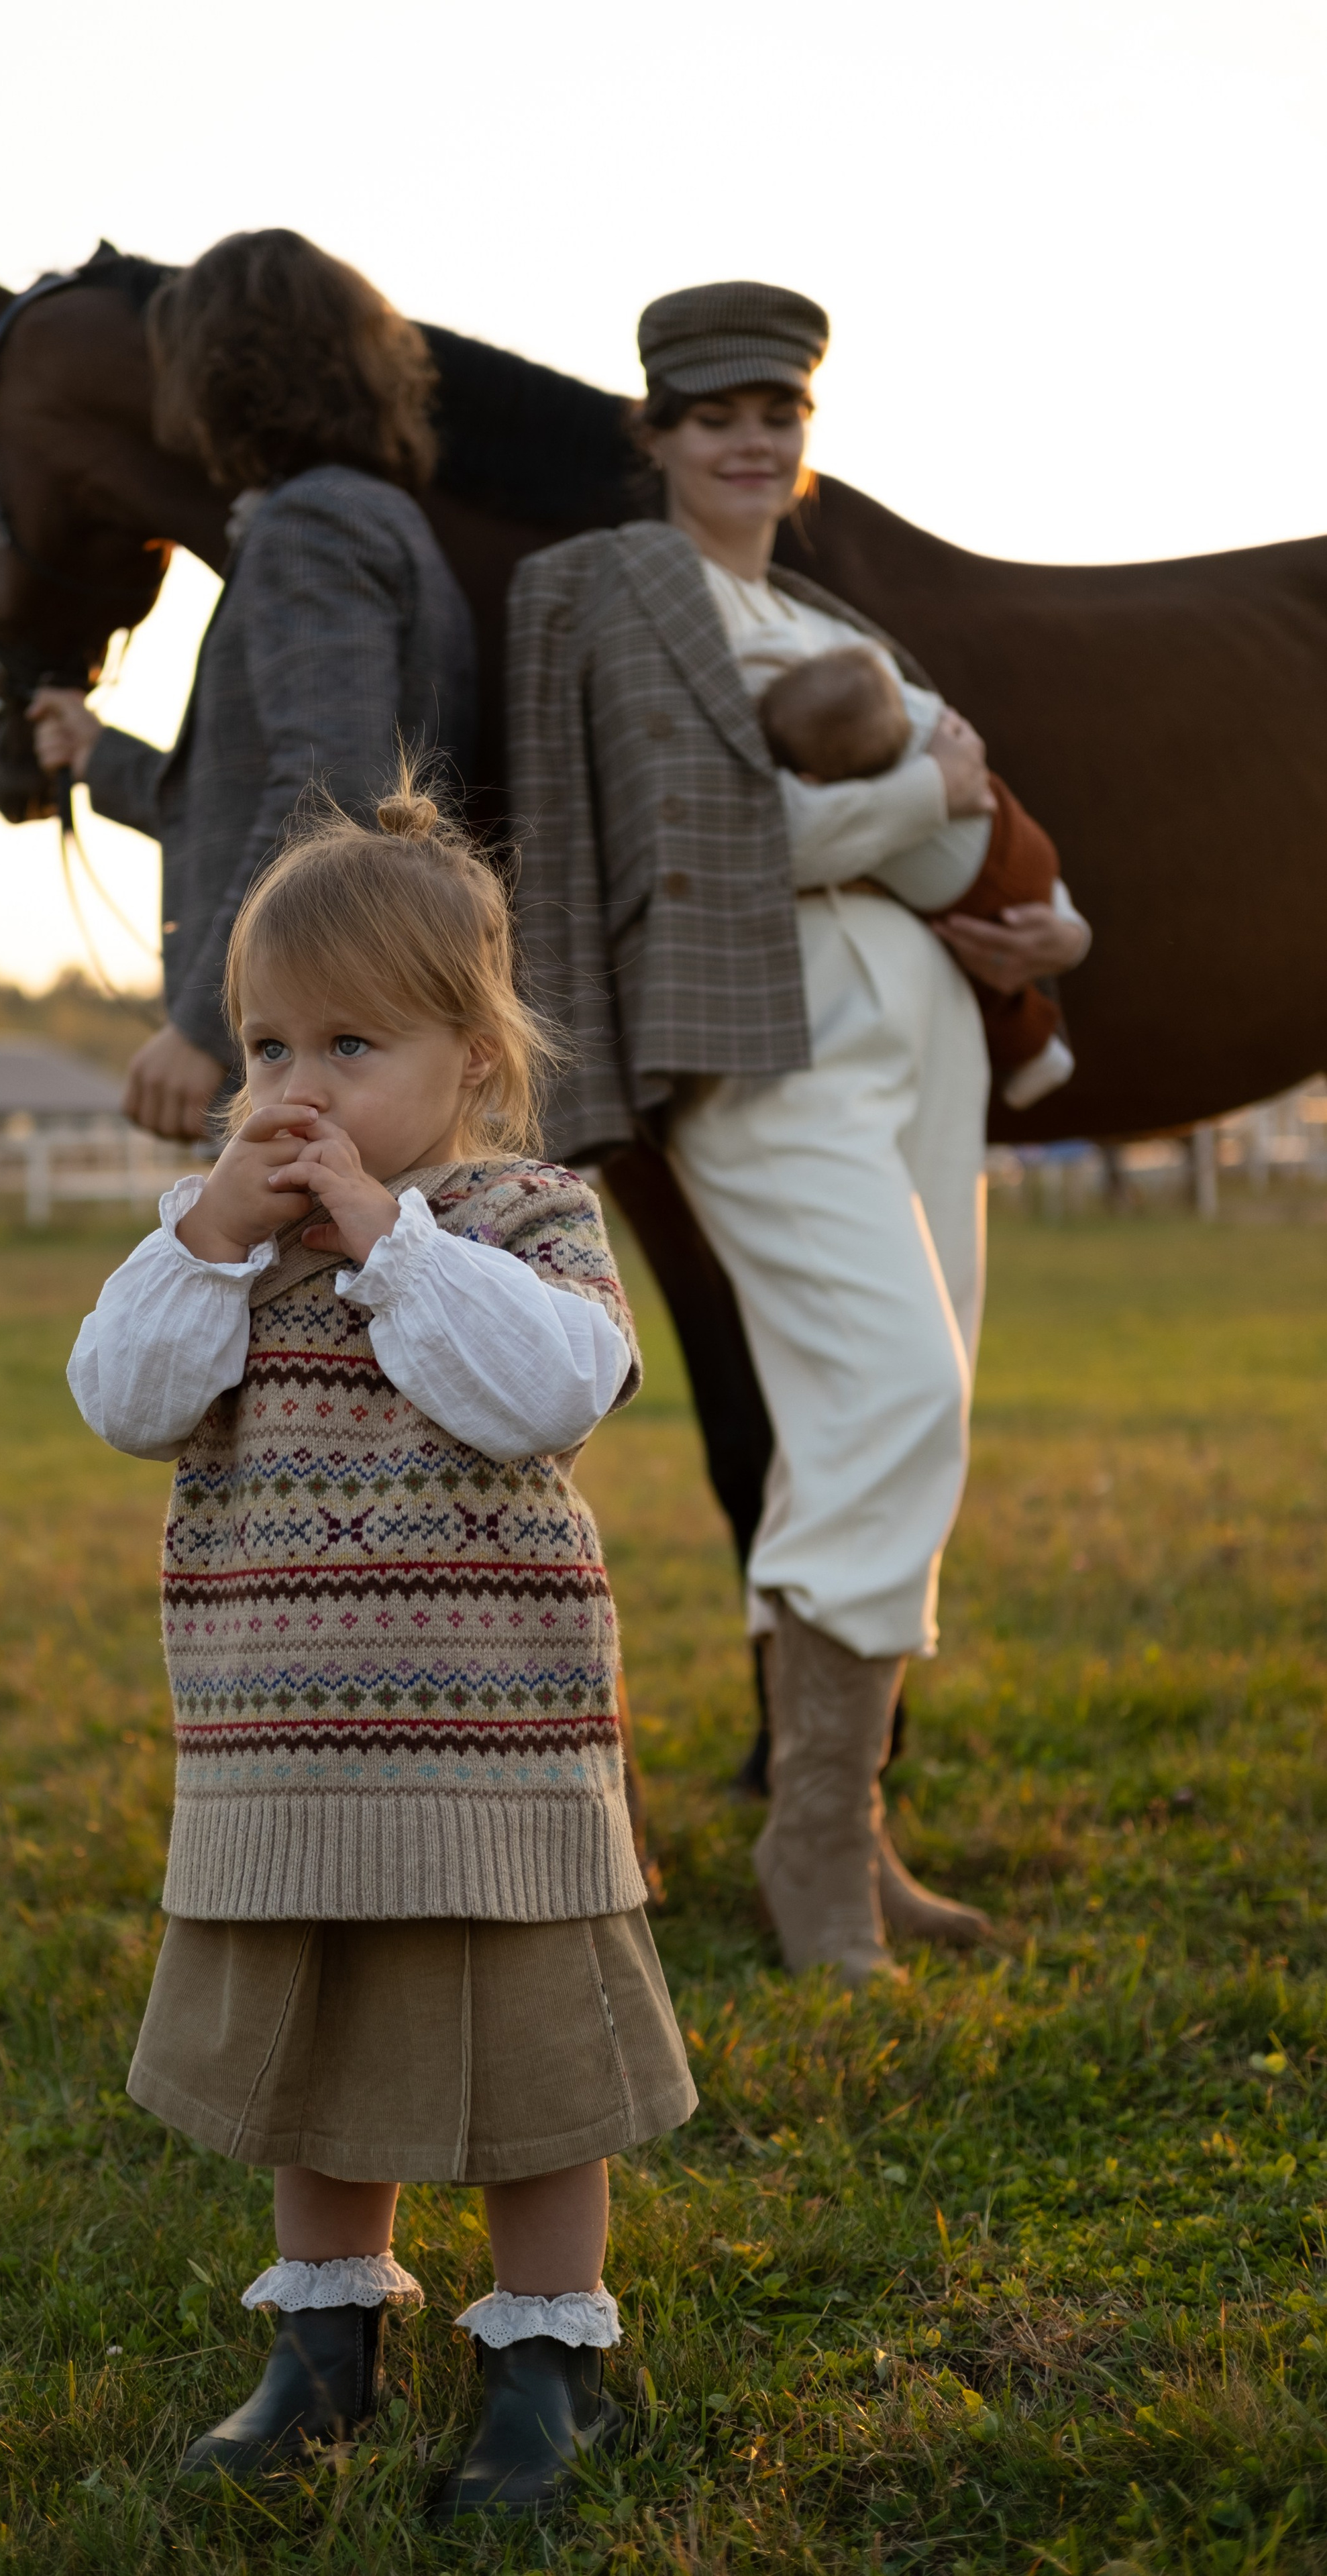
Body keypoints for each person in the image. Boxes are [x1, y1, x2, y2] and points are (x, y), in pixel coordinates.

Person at [65, 783, 696, 2514]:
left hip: (493, 1748)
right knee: (314, 2052)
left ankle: (546, 2358)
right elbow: (124, 1403)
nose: (297, 1091)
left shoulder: (520, 1223)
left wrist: (388, 1240)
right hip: (284, 1743)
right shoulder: (221, 1253)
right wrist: (203, 1245)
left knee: (530, 2068)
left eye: (353, 1044)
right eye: (268, 1047)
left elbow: (550, 1390)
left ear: (474, 1065)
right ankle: (322, 2343)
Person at [509, 280, 1092, 1984]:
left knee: (895, 1416)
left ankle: (851, 1825)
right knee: (893, 1390)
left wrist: (1051, 936)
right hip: (759, 1049)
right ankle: (804, 1840)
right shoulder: (597, 594)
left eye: (777, 410)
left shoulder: (825, 614)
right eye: (711, 413)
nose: (750, 438)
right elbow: (670, 837)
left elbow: (969, 834)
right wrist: (926, 797)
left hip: (923, 1037)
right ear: (655, 434)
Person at [29, 228, 478, 1142]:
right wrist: (98, 756)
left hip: (319, 1050)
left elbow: (331, 792)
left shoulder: (310, 525)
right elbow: (258, 786)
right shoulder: (365, 515)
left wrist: (206, 1026)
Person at [759, 645, 1082, 1109]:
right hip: (1019, 835)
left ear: (813, 780)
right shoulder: (913, 711)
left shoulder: (865, 806)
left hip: (985, 890)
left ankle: (1036, 1053)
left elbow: (799, 840)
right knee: (1032, 897)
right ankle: (1057, 906)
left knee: (981, 976)